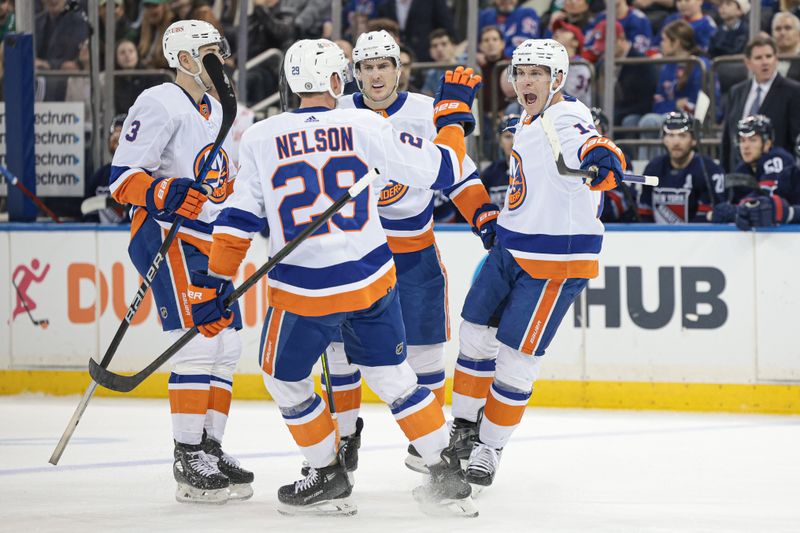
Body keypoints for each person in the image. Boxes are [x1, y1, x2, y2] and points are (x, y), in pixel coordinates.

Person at [189, 38, 482, 516]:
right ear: (336, 80)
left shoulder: (261, 137)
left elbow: (238, 221)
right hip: (372, 280)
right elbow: (446, 168)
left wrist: (213, 281)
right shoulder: (366, 124)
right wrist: (450, 118)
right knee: (396, 379)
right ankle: (445, 475)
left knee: (283, 378)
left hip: (305, 291)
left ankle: (327, 472)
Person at [447, 39, 626, 491]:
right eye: (520, 72)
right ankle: (465, 428)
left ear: (558, 79)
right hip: (511, 247)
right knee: (474, 333)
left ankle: (489, 445)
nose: (525, 81)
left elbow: (587, 141)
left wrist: (602, 157)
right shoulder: (529, 117)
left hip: (554, 260)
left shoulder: (566, 114)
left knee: (516, 359)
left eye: (537, 73)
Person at [332, 30, 497, 474]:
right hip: (351, 251)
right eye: (366, 67)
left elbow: (459, 173)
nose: (376, 75)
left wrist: (483, 216)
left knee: (424, 353)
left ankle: (429, 448)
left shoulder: (426, 112)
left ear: (398, 69)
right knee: (338, 352)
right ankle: (342, 439)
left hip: (413, 250)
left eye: (384, 65)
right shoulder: (337, 113)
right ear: (355, 72)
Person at [109, 19, 253, 504]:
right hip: (164, 236)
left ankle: (209, 448)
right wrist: (164, 191)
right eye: (212, 52)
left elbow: (220, 180)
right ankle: (187, 455)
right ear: (188, 59)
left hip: (207, 240)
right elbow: (121, 179)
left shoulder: (219, 108)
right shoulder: (158, 101)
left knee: (227, 346)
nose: (222, 60)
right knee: (197, 345)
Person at [721, 34, 800, 171]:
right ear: (748, 62)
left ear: (776, 59)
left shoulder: (793, 91)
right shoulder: (736, 92)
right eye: (758, 58)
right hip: (739, 175)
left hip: (776, 177)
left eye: (769, 56)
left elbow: (796, 139)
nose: (765, 62)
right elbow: (728, 138)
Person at [637, 111, 725, 223]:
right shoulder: (653, 168)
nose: (676, 142)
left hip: (697, 238)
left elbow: (707, 217)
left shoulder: (709, 170)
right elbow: (645, 213)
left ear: (693, 140)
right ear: (664, 139)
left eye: (682, 136)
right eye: (671, 135)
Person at [717, 115, 800, 228]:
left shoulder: (778, 158)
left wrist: (737, 210)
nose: (746, 146)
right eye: (742, 140)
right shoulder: (741, 169)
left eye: (752, 140)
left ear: (767, 143)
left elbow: (765, 201)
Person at [84, 114, 130, 224]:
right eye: (114, 133)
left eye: (122, 133)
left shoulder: (138, 173)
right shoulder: (99, 176)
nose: (117, 137)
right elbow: (89, 212)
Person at [377, 0, 456, 62]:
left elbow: (447, 28)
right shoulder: (385, 6)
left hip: (427, 61)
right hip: (399, 60)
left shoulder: (433, 2)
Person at [583, 0, 653, 57]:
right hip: (600, 63)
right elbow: (586, 47)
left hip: (627, 66)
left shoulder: (639, 19)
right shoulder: (598, 19)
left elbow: (640, 52)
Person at [480, 113, 519, 206]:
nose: (513, 141)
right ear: (500, 141)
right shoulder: (489, 174)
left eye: (518, 135)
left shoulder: (536, 171)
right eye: (508, 137)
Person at [552, 20, 592, 106]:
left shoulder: (581, 66)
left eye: (564, 30)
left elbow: (570, 99)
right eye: (557, 30)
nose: (557, 32)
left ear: (575, 42)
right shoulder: (550, 63)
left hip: (574, 115)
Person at [652, 0, 717, 52]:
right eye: (679, 1)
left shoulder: (707, 24)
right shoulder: (671, 19)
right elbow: (655, 45)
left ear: (700, 1)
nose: (682, 4)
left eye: (687, 0)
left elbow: (706, 51)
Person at [137, 0, 175, 69]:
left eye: (155, 6)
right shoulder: (143, 29)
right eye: (147, 6)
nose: (151, 10)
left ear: (165, 7)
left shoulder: (174, 29)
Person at [421, 29, 459, 97]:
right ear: (430, 52)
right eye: (435, 46)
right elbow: (426, 99)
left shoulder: (466, 66)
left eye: (444, 44)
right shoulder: (431, 75)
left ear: (454, 47)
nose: (439, 49)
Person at [772, 12, 800, 82]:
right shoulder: (766, 60)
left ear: (798, 34)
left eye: (788, 28)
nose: (782, 33)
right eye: (778, 29)